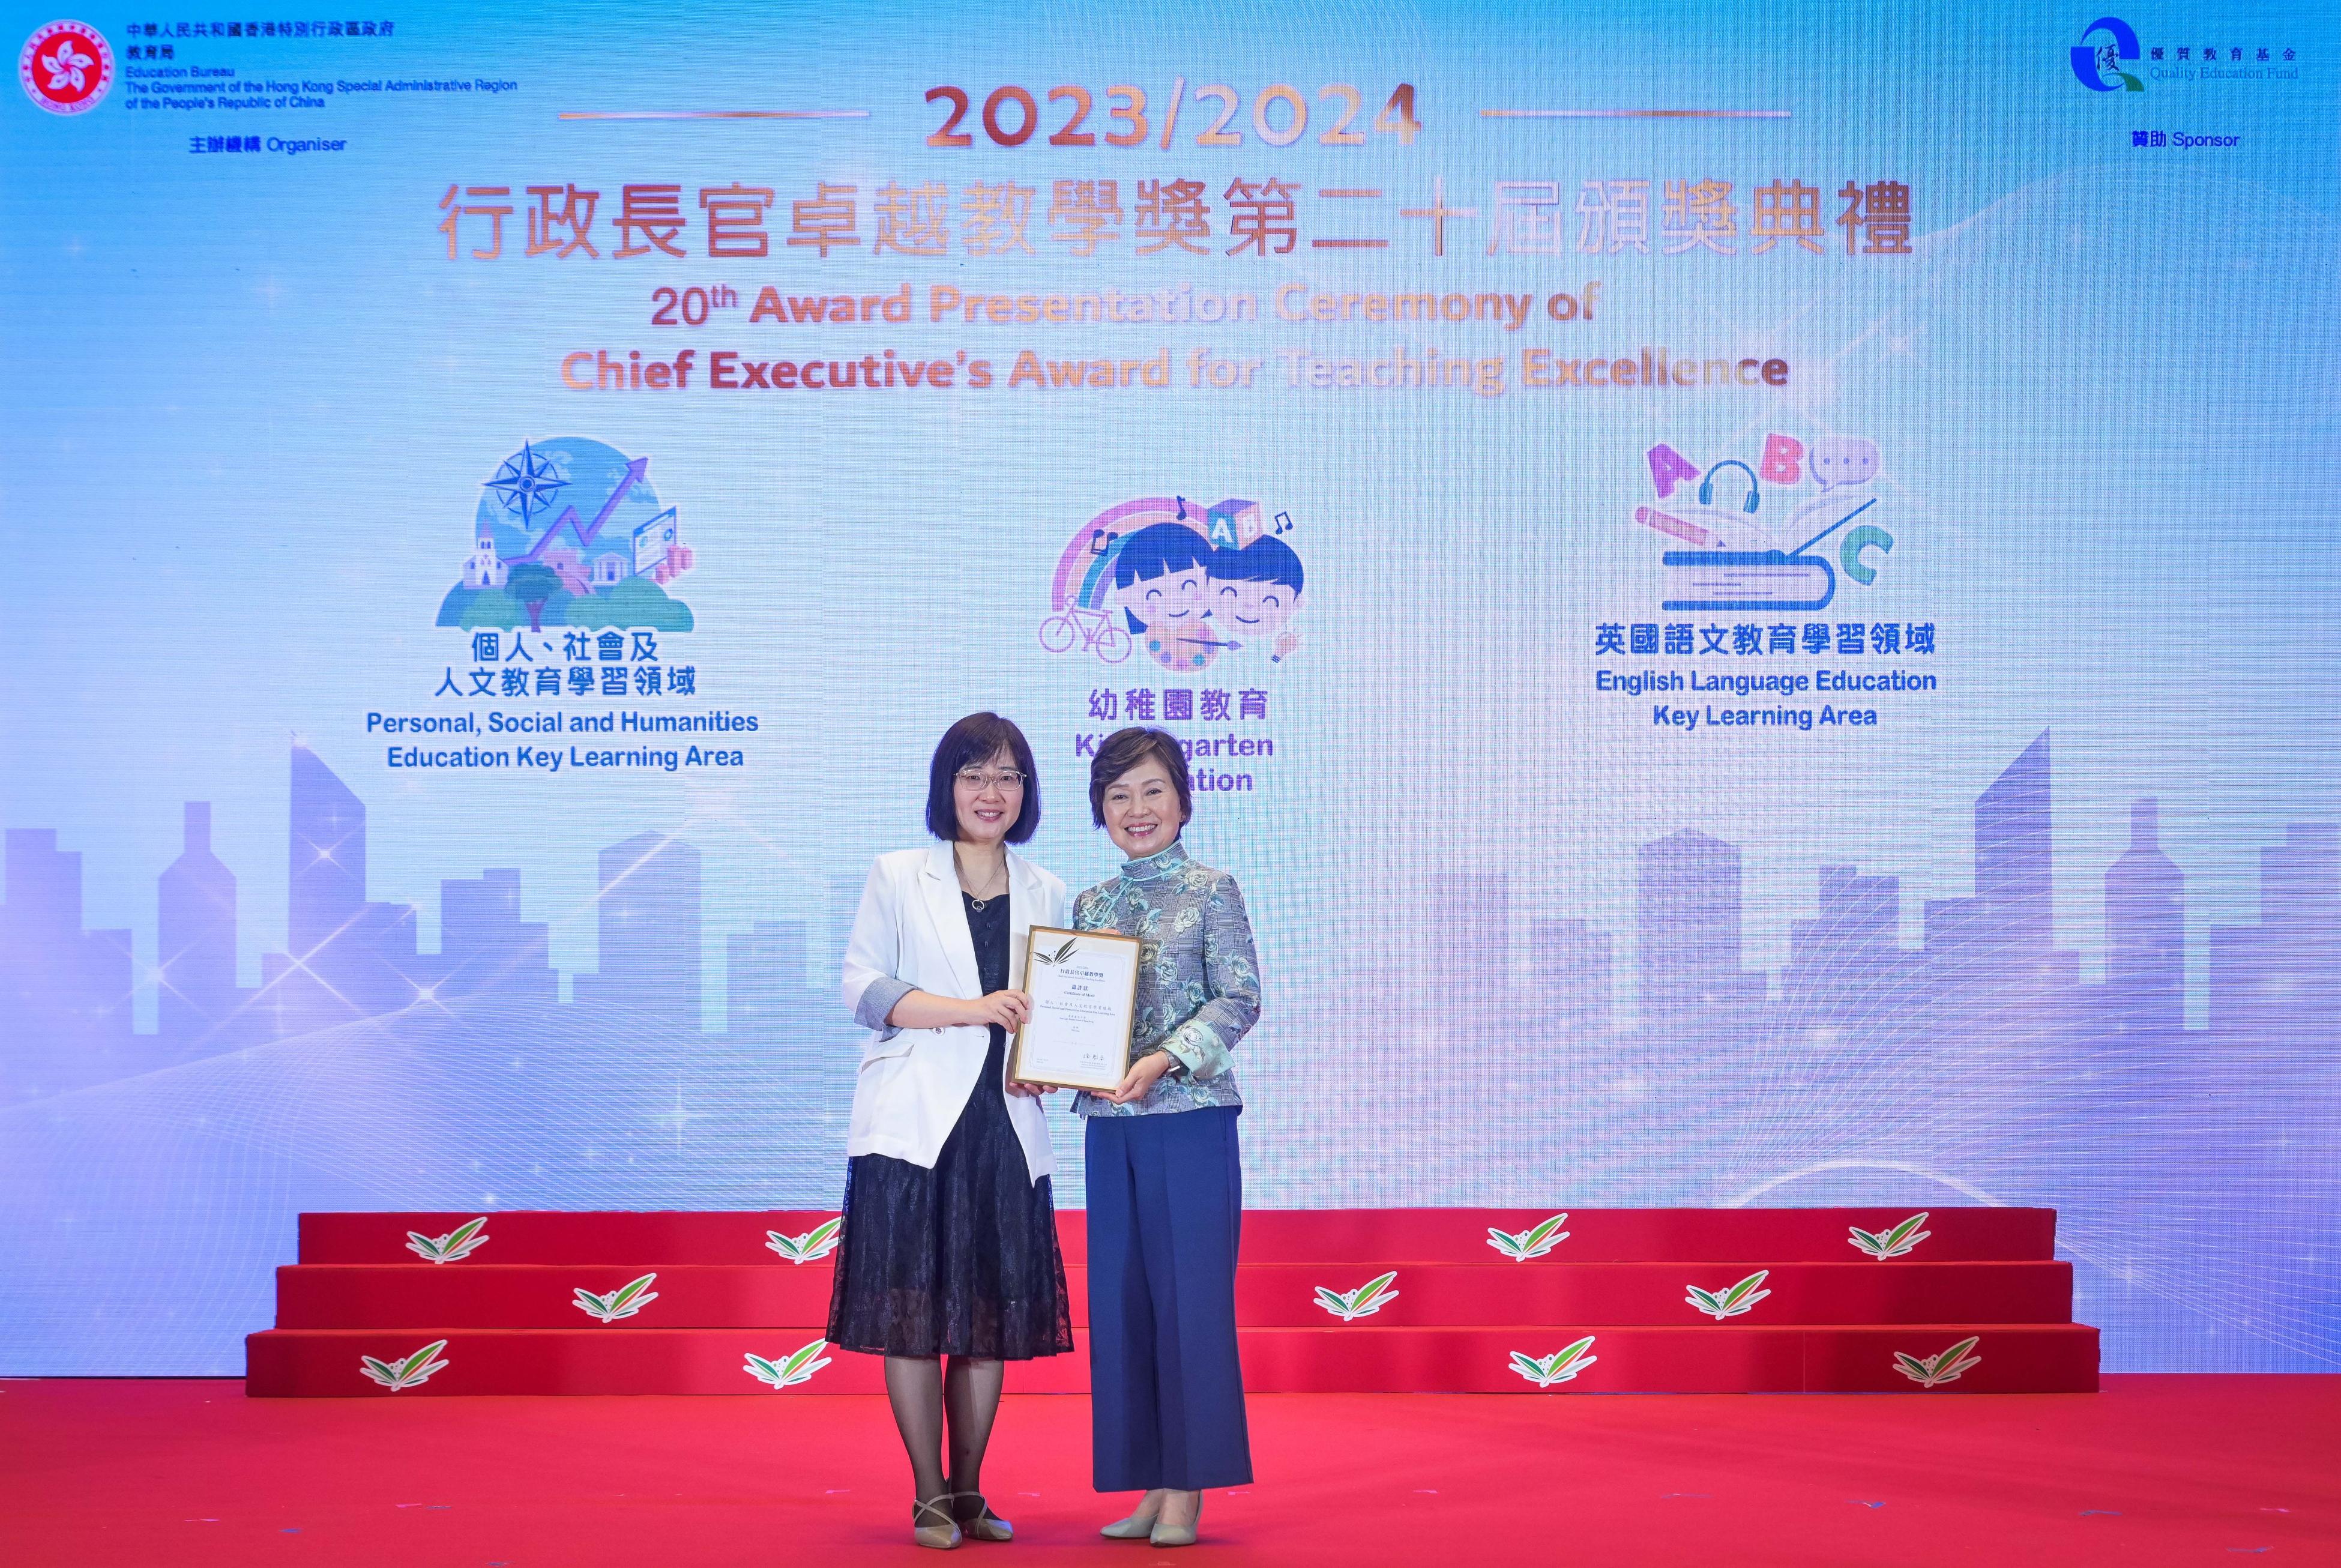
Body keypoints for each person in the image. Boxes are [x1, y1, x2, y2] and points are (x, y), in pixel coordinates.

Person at [831, 712, 1075, 1550]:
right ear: (948, 786)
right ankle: (927, 1493)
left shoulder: (1048, 891)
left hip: (1005, 1123)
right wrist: (974, 1012)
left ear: (1026, 793)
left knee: (989, 1315)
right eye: (975, 775)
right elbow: (863, 989)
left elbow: (1065, 1020)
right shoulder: (898, 874)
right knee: (913, 1314)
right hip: (913, 1124)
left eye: (1008, 777)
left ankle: (971, 1490)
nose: (991, 792)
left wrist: (1056, 1059)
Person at [1071, 726, 1261, 1548]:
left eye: (1152, 791)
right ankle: (1149, 1483)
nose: (1136, 809)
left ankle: (1188, 1488)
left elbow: (1240, 999)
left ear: (1183, 800)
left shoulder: (1214, 889)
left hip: (1188, 1118)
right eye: (1118, 795)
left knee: (1190, 1302)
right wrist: (1056, 1059)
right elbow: (1076, 1014)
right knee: (1123, 1305)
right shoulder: (1090, 906)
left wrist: (1161, 1060)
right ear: (1100, 812)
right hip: (1110, 1125)